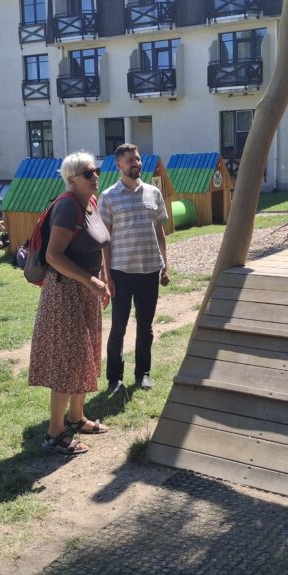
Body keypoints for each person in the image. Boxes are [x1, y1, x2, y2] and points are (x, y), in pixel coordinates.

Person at [28, 151, 112, 456]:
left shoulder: (90, 202)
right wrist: (91, 281)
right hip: (65, 292)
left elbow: (98, 244)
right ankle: (54, 434)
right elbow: (53, 256)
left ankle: (77, 418)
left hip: (86, 290)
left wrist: (102, 280)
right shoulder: (66, 206)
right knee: (68, 359)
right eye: (88, 173)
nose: (95, 177)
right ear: (72, 179)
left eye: (96, 171)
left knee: (85, 355)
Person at [99, 144, 169, 394]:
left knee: (145, 326)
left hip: (149, 271)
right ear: (119, 165)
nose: (136, 163)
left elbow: (160, 232)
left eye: (137, 159)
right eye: (130, 160)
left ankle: (143, 374)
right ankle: (114, 379)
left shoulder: (154, 193)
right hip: (121, 272)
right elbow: (104, 241)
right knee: (118, 327)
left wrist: (165, 265)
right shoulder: (108, 196)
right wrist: (107, 276)